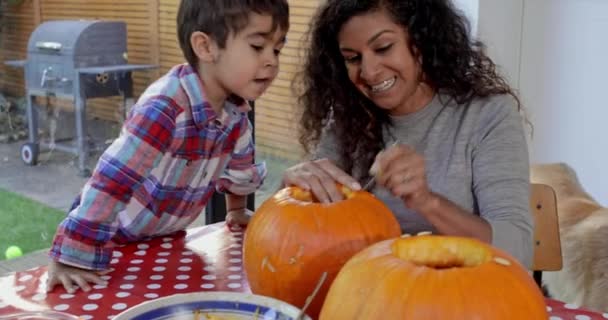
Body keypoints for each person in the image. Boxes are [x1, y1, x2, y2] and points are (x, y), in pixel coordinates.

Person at [46, 0, 289, 293]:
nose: (272, 61)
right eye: (258, 47)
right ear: (205, 46)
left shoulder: (235, 112)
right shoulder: (165, 107)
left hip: (167, 237)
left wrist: (236, 210)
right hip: (113, 236)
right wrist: (72, 255)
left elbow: (240, 165)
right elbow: (112, 181)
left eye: (277, 49)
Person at [283, 0, 534, 267]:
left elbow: (517, 250)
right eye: (352, 58)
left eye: (383, 48)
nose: (368, 72)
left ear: (421, 38)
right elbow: (298, 229)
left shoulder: (488, 115)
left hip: (460, 297)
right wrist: (293, 187)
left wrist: (428, 202)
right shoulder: (348, 117)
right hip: (368, 291)